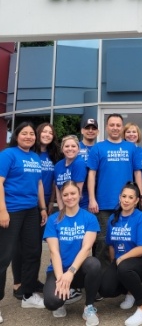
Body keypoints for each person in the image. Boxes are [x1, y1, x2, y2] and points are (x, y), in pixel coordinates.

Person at [0, 122, 47, 324]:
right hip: (11, 210)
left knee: (33, 253)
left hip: (31, 211)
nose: (28, 136)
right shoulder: (8, 154)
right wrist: (2, 210)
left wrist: (43, 208)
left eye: (31, 134)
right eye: (24, 133)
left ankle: (27, 295)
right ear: (16, 136)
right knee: (3, 257)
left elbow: (38, 185)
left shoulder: (35, 157)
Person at [12, 122, 60, 300]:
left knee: (35, 245)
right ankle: (18, 282)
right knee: (19, 246)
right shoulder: (28, 154)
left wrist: (49, 203)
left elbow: (53, 181)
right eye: (44, 131)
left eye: (50, 132)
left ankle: (30, 281)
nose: (47, 134)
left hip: (43, 203)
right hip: (24, 203)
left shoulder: (54, 155)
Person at [43, 180, 101, 325]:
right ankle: (62, 299)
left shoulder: (89, 218)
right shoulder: (53, 220)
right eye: (65, 194)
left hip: (78, 270)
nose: (69, 197)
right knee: (52, 302)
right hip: (59, 270)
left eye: (73, 193)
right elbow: (54, 251)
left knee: (94, 264)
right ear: (61, 197)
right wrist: (61, 278)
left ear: (79, 194)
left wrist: (71, 272)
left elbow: (86, 248)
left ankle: (89, 307)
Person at [87, 113, 142, 266]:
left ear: (122, 127)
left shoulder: (131, 148)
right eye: (112, 125)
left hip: (128, 204)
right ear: (106, 127)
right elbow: (91, 174)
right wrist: (92, 198)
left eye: (118, 125)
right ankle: (104, 281)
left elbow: (137, 173)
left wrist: (141, 197)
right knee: (103, 243)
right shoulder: (98, 148)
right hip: (104, 204)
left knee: (128, 241)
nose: (115, 128)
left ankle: (123, 278)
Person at [99, 182, 142, 326]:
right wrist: (115, 264)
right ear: (120, 197)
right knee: (105, 288)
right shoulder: (113, 219)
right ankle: (130, 291)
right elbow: (111, 246)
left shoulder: (141, 218)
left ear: (136, 200)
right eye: (124, 196)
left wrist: (121, 260)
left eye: (130, 197)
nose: (126, 200)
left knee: (124, 267)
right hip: (124, 263)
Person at [54, 135, 87, 211]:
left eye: (73, 146)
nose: (70, 149)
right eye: (67, 146)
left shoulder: (79, 163)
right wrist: (62, 211)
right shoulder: (57, 166)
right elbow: (58, 192)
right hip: (64, 207)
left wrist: (70, 214)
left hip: (79, 207)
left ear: (78, 149)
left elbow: (78, 192)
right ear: (62, 149)